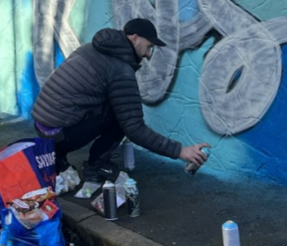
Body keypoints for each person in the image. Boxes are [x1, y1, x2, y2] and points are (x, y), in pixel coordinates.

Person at [31, 18, 210, 183]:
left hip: (43, 127)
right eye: (149, 46)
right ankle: (95, 167)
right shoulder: (120, 70)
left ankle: (57, 155)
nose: (148, 54)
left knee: (110, 105)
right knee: (122, 119)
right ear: (134, 38)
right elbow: (135, 129)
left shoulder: (91, 48)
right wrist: (180, 151)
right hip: (60, 133)